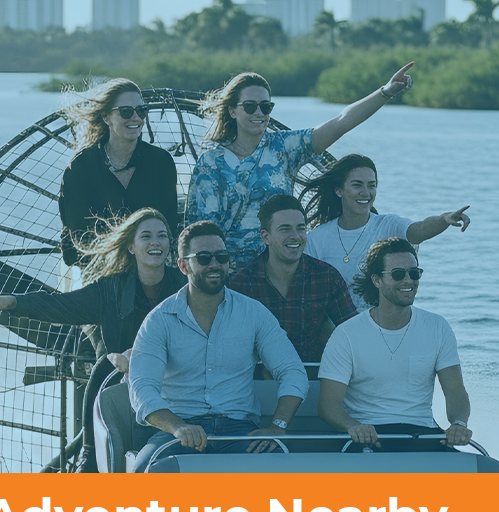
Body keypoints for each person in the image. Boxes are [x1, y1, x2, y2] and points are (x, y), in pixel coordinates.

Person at [0, 208, 186, 470]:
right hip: (120, 384)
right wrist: (15, 302)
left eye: (162, 236)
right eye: (146, 236)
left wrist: (141, 356)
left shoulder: (186, 287)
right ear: (131, 246)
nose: (155, 242)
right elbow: (62, 305)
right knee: (103, 370)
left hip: (177, 385)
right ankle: (90, 452)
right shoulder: (111, 289)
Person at [185, 65, 414, 269]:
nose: (259, 113)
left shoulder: (284, 147)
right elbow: (200, 230)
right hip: (227, 272)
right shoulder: (211, 164)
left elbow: (341, 122)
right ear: (233, 111)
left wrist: (385, 92)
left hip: (280, 269)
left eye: (266, 107)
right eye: (250, 106)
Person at [128, 220, 309, 474]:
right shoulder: (159, 320)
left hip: (241, 430)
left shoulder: (253, 313)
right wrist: (178, 427)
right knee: (145, 471)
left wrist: (277, 425)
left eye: (221, 257)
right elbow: (142, 388)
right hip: (178, 430)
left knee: (279, 473)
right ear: (183, 265)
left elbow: (293, 371)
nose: (214, 265)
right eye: (203, 258)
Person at [318, 236, 473, 448]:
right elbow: (328, 405)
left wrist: (458, 423)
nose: (408, 280)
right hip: (368, 436)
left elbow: (455, 390)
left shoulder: (437, 327)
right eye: (398, 274)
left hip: (422, 433)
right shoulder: (346, 334)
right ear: (377, 281)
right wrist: (353, 427)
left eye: (414, 273)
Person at [302, 153, 471, 310]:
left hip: (385, 327)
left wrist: (443, 220)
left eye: (371, 185)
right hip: (337, 333)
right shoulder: (317, 239)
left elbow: (419, 230)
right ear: (339, 190)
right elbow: (308, 294)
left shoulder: (388, 225)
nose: (366, 193)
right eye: (357, 185)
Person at [59, 78, 179, 266]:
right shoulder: (81, 168)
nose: (136, 118)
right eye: (126, 112)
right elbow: (77, 237)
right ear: (106, 117)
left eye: (141, 111)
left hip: (151, 266)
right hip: (98, 268)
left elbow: (169, 224)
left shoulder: (161, 162)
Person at [229, 194, 356, 362]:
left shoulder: (326, 277)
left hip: (312, 377)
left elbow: (354, 333)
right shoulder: (241, 283)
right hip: (258, 380)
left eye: (301, 228)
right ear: (265, 237)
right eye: (285, 229)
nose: (296, 236)